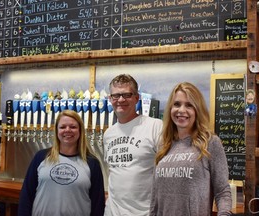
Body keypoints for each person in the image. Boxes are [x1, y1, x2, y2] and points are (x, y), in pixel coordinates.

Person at [149, 82, 232, 216]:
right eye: (176, 104)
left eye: (189, 105)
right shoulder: (163, 146)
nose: (181, 110)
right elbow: (155, 198)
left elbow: (222, 191)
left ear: (197, 110)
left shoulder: (210, 143)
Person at [18, 110, 105, 216]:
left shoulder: (92, 163)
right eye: (62, 127)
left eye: (73, 127)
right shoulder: (41, 157)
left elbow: (98, 204)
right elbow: (26, 195)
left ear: (80, 131)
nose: (67, 130)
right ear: (56, 131)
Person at [103, 74, 163, 216]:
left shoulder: (155, 126)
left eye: (127, 95)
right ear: (110, 99)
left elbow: (167, 173)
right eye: (116, 95)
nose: (121, 100)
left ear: (137, 98)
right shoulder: (108, 134)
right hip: (112, 212)